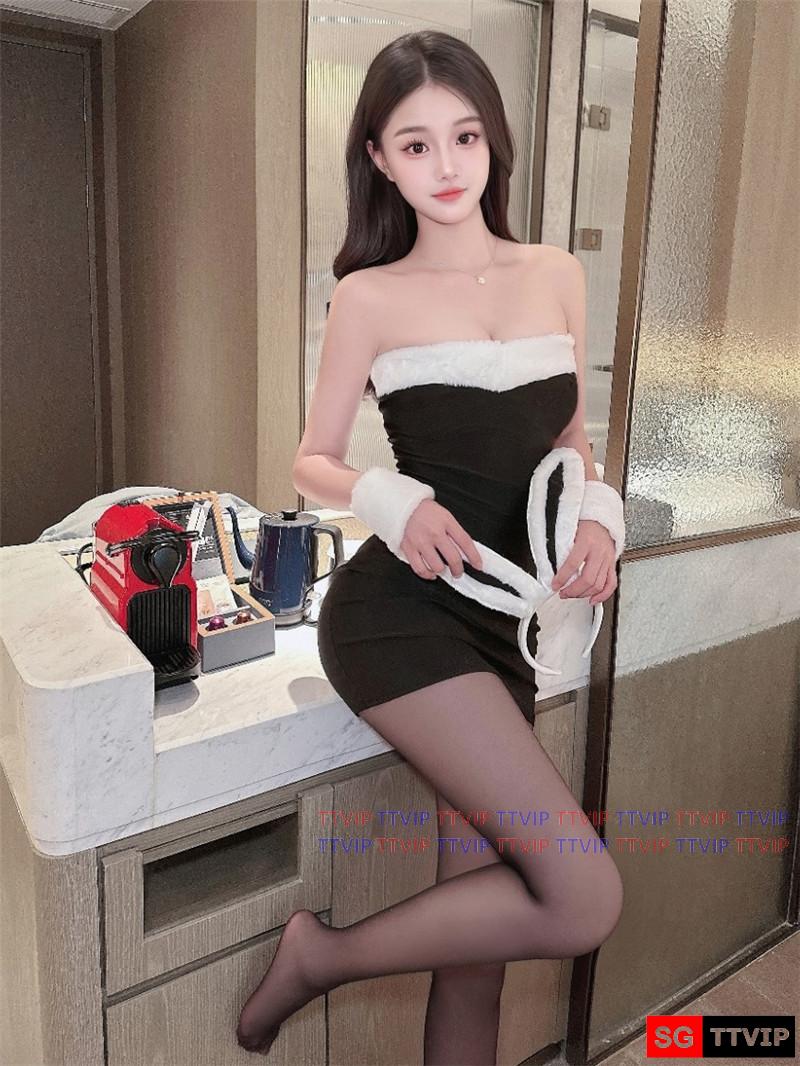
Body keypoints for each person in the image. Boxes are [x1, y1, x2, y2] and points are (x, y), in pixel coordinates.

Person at [237, 29, 625, 1063]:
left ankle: (322, 958)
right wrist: (390, 499)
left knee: (475, 961)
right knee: (582, 895)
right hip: (400, 618)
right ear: (378, 158)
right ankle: (318, 957)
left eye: (464, 137)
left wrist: (598, 515)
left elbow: (570, 437)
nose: (446, 166)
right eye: (415, 145)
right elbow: (311, 461)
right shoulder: (369, 296)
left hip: (502, 623)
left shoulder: (556, 273)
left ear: (493, 141)